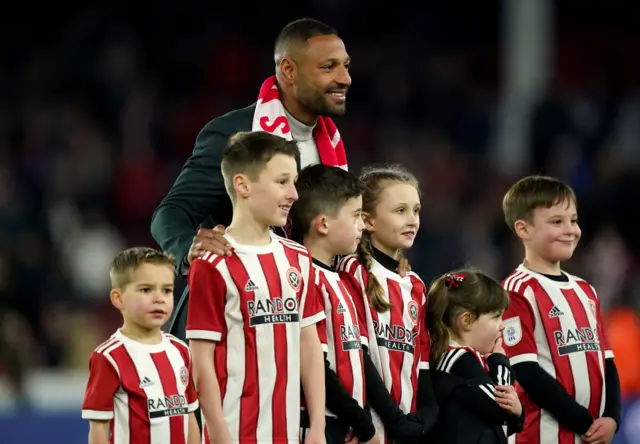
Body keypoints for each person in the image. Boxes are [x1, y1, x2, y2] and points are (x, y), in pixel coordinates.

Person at [150, 17, 352, 342]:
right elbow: (170, 214)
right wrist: (190, 247)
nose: (345, 78)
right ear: (288, 71)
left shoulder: (332, 144)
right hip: (232, 320)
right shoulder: (233, 134)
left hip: (299, 317)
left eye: (345, 66)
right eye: (329, 67)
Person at [185, 131, 326, 444]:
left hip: (289, 434)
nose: (294, 194)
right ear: (243, 185)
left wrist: (317, 426)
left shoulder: (299, 258)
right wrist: (220, 437)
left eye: (294, 182)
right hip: (235, 433)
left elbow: (309, 345)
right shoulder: (212, 264)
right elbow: (201, 363)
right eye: (282, 181)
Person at [290, 164, 424, 444]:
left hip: (350, 424)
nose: (361, 225)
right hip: (326, 423)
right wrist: (365, 425)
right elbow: (320, 366)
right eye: (356, 217)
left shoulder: (338, 280)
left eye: (416, 210)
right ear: (324, 223)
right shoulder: (319, 276)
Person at [500, 175, 622, 444]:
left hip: (591, 436)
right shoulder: (516, 290)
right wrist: (584, 422)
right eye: (557, 221)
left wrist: (612, 419)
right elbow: (527, 371)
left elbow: (608, 364)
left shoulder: (586, 291)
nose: (571, 229)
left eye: (573, 220)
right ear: (523, 229)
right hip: (540, 435)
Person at [336, 165, 438, 443]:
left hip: (406, 429)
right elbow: (358, 356)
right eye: (400, 210)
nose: (412, 220)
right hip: (370, 430)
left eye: (416, 210)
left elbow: (422, 367)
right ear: (367, 220)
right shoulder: (352, 270)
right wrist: (394, 420)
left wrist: (425, 418)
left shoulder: (416, 285)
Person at [81, 247, 200, 444]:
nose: (159, 298)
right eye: (146, 290)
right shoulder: (109, 357)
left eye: (166, 290)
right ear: (118, 299)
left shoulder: (180, 351)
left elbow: (189, 416)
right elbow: (99, 427)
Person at [425, 269, 524, 444]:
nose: (502, 326)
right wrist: (499, 359)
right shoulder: (457, 360)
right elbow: (500, 407)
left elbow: (503, 423)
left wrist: (516, 415)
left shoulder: (465, 358)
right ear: (467, 321)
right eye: (496, 317)